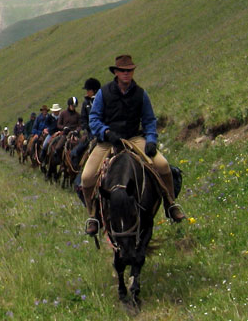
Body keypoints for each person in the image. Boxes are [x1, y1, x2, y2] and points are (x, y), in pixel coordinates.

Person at [79, 55, 185, 235]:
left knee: (163, 165)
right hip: (108, 140)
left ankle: (170, 203)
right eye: (122, 71)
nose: (126, 74)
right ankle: (93, 215)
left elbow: (149, 120)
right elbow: (94, 119)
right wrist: (105, 132)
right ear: (116, 72)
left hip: (134, 138)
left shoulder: (140, 94)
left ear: (133, 72)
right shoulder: (104, 93)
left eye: (129, 70)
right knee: (87, 177)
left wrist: (151, 140)